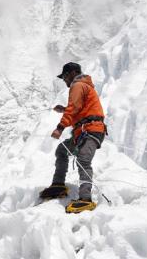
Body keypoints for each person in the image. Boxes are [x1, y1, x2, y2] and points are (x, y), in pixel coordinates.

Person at [39, 62, 107, 213]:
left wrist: (60, 128)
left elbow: (74, 108)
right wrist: (64, 109)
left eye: (64, 76)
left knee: (83, 160)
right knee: (62, 151)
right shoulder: (83, 86)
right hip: (85, 131)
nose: (64, 80)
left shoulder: (78, 85)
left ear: (72, 73)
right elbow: (78, 109)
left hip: (91, 130)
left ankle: (85, 199)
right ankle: (58, 185)